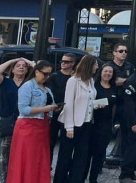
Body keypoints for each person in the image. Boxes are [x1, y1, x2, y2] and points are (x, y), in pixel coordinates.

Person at [7, 60, 60, 183]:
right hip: (28, 126)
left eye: (49, 74)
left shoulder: (47, 88)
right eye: (45, 74)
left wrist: (55, 109)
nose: (47, 77)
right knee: (27, 160)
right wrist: (45, 109)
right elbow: (23, 109)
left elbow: (49, 107)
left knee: (39, 160)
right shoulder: (27, 86)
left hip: (43, 126)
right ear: (36, 72)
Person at [55, 55, 100, 183]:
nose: (97, 67)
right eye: (95, 64)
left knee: (81, 157)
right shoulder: (73, 81)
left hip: (86, 123)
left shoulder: (91, 80)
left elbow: (88, 100)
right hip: (72, 123)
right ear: (89, 65)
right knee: (65, 156)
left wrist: (96, 105)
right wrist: (69, 127)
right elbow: (68, 103)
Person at [0, 57, 31, 183]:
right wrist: (12, 60)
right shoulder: (5, 82)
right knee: (1, 155)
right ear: (12, 69)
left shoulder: (29, 83)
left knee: (19, 155)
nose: (21, 67)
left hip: (23, 122)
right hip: (5, 120)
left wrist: (27, 61)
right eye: (18, 65)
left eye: (24, 66)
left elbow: (39, 68)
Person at [87, 63, 118, 183]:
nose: (108, 74)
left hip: (106, 124)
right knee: (88, 153)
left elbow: (115, 105)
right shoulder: (93, 86)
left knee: (99, 153)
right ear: (100, 72)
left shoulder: (114, 87)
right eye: (105, 71)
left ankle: (93, 179)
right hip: (92, 123)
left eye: (110, 72)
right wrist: (95, 105)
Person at [47, 52, 76, 157]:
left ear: (73, 63)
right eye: (62, 61)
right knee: (51, 141)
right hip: (56, 110)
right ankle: (48, 167)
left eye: (66, 62)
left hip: (70, 112)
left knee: (66, 142)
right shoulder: (54, 76)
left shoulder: (76, 77)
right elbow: (49, 93)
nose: (63, 63)